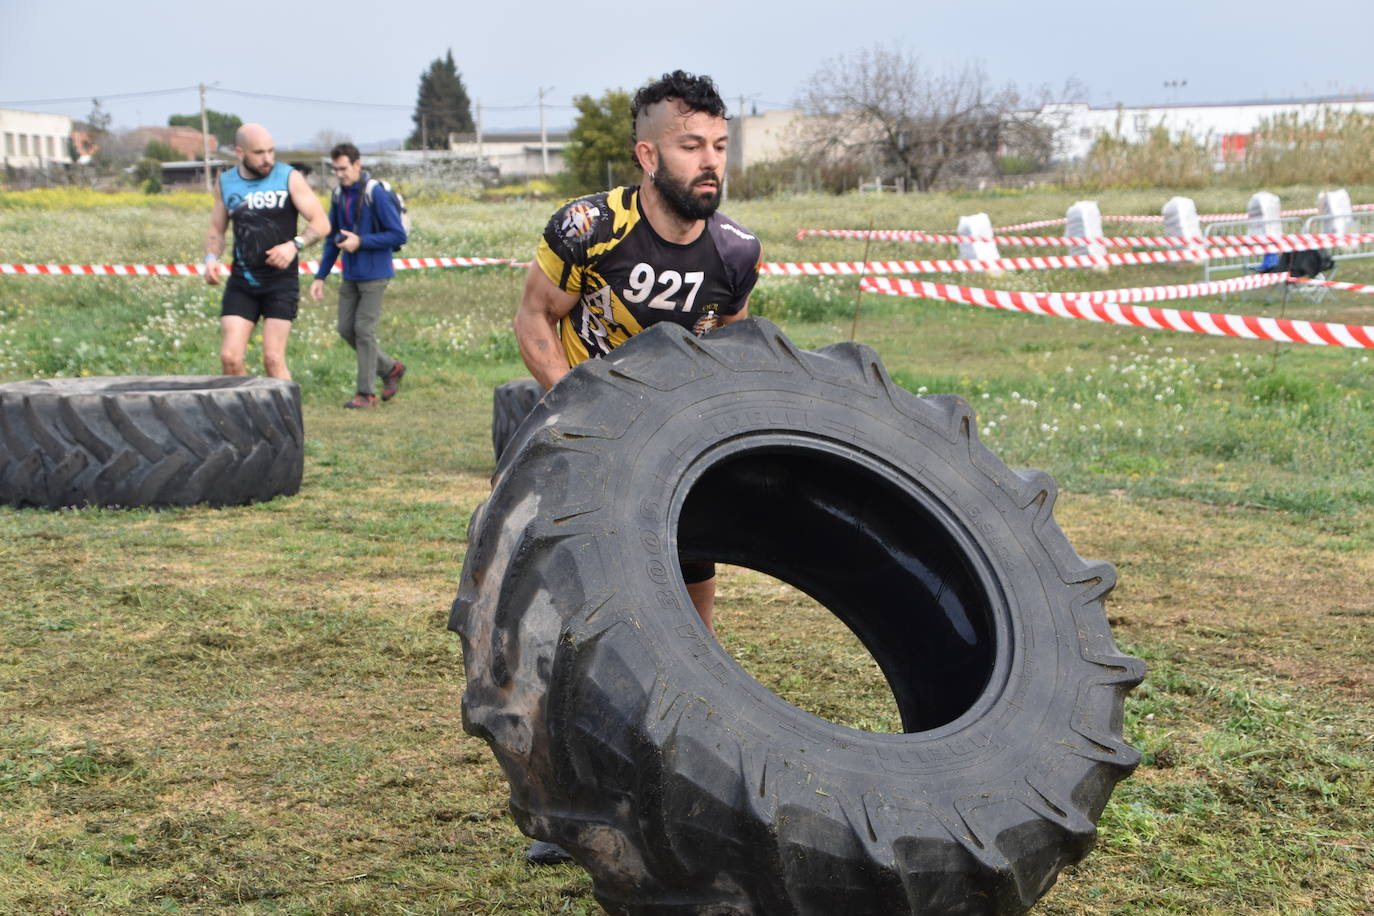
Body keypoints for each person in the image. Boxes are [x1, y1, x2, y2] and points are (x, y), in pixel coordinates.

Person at [512, 68, 761, 866]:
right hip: (586, 456)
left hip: (679, 472)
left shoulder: (737, 254)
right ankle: (567, 812)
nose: (711, 161)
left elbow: (733, 360)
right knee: (574, 641)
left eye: (720, 145)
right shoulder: (588, 228)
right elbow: (534, 323)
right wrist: (586, 416)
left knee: (690, 638)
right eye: (692, 146)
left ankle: (678, 793)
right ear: (648, 156)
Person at [205, 124, 329, 380]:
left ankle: (285, 420)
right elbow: (217, 229)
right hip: (243, 281)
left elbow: (321, 223)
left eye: (271, 151)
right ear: (240, 152)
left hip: (280, 282)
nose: (268, 159)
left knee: (272, 359)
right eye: (259, 152)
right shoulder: (226, 182)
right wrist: (210, 259)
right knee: (230, 358)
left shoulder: (288, 177)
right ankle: (244, 417)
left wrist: (295, 245)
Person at [309, 142, 409, 408]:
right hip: (350, 274)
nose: (339, 174)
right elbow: (333, 239)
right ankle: (390, 369)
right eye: (336, 169)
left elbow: (398, 235)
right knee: (345, 329)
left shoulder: (375, 193)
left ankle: (366, 394)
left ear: (357, 165)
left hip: (376, 273)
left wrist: (361, 242)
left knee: (364, 330)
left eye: (343, 168)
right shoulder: (339, 194)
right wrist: (320, 276)